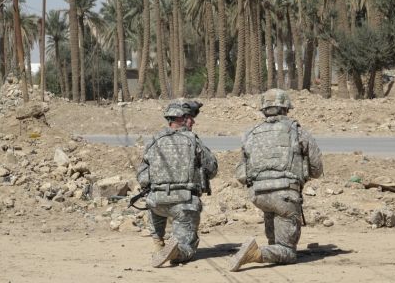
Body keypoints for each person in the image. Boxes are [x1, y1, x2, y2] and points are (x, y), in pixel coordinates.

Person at [230, 89, 323, 272]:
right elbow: (317, 168)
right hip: (286, 195)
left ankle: (273, 248)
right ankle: (257, 254)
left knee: (273, 219)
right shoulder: (298, 131)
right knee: (288, 252)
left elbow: (241, 173)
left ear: (264, 109)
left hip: (259, 196)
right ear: (286, 107)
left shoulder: (250, 133)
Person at [136, 99, 218, 268]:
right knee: (188, 246)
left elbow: (142, 176)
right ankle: (177, 252)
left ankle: (158, 242)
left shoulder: (154, 140)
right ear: (182, 118)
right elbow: (212, 168)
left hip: (157, 203)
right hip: (184, 204)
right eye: (191, 118)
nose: (193, 122)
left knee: (153, 204)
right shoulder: (193, 140)